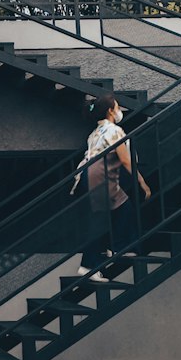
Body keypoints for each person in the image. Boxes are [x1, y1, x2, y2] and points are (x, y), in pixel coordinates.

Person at [74, 94, 151, 277]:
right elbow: (125, 159)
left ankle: (118, 248)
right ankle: (90, 264)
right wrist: (142, 182)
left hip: (87, 174)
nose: (119, 111)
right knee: (106, 217)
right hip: (101, 175)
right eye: (117, 107)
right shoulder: (114, 130)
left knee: (121, 209)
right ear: (110, 111)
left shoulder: (95, 132)